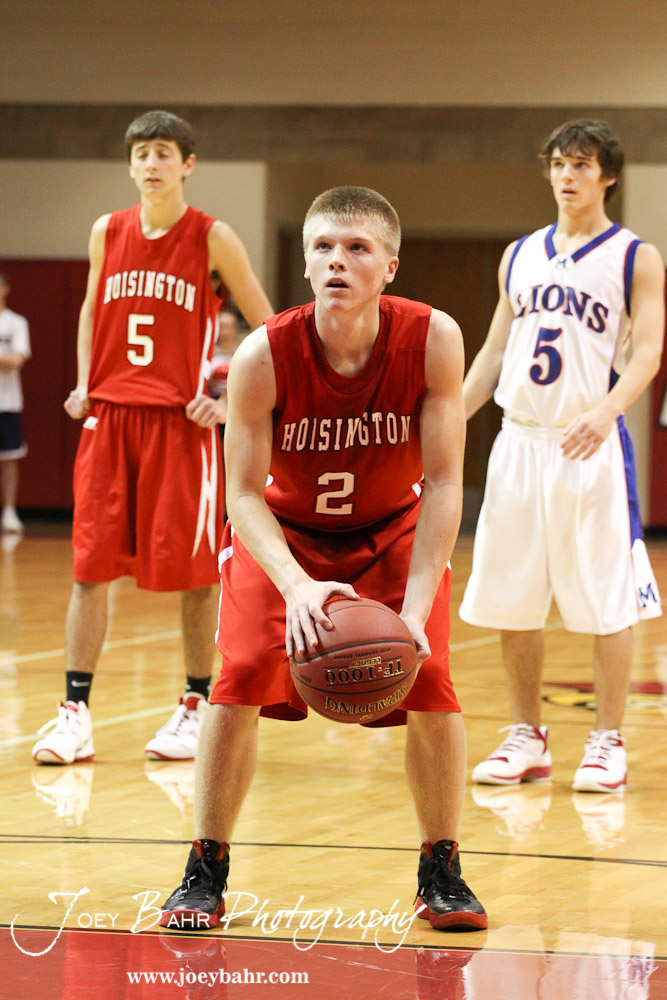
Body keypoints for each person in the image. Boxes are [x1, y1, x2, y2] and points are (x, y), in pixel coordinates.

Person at [159, 185, 487, 933]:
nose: (337, 260)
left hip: (390, 527)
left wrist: (412, 612)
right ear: (306, 264)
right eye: (323, 248)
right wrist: (297, 585)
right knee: (240, 674)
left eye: (356, 248)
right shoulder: (263, 353)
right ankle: (205, 866)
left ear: (390, 266)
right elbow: (242, 495)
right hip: (286, 535)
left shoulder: (433, 339)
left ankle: (441, 867)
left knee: (431, 677)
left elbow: (443, 484)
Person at [32, 110, 273, 766]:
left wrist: (228, 401)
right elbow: (91, 308)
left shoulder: (212, 236)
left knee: (196, 576)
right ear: (130, 164)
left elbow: (268, 326)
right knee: (89, 571)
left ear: (187, 164)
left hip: (178, 426)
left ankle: (196, 704)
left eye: (164, 152)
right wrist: (84, 380)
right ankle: (74, 714)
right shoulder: (106, 231)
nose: (151, 164)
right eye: (141, 153)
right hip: (110, 421)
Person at [459, 120, 664, 793]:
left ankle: (607, 741)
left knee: (608, 600)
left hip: (588, 444)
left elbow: (647, 350)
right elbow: (493, 351)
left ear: (608, 175)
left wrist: (608, 410)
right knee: (512, 599)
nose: (567, 175)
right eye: (557, 164)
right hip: (519, 442)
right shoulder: (518, 254)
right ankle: (527, 736)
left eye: (580, 164)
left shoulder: (634, 256)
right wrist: (448, 419)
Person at [0, 273, 31, 534]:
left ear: (6, 289)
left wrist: (10, 359)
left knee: (9, 458)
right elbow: (7, 359)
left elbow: (17, 360)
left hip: (8, 401)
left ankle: (9, 511)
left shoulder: (16, 323)